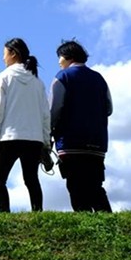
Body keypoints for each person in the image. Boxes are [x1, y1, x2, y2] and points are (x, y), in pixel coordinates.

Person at [50, 39, 113, 212]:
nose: (59, 61)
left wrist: (48, 132)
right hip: (97, 141)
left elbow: (54, 110)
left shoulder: (62, 77)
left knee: (76, 186)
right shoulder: (99, 79)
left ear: (68, 56)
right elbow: (109, 108)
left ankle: (84, 221)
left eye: (60, 57)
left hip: (70, 142)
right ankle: (107, 220)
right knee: (96, 186)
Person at [0, 37, 50, 212]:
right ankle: (38, 213)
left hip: (9, 137)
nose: (3, 58)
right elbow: (45, 115)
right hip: (34, 138)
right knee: (31, 179)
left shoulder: (4, 77)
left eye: (5, 54)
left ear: (13, 54)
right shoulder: (38, 82)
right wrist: (46, 141)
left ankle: (5, 214)